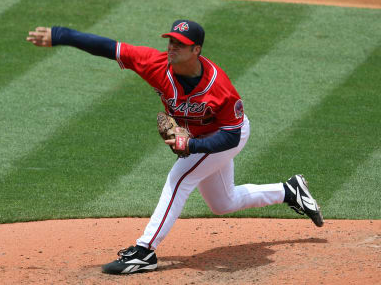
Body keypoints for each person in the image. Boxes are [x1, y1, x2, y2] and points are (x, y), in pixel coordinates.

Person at [26, 20, 324, 275]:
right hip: (202, 137)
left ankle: (144, 252)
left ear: (196, 50)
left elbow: (231, 137)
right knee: (223, 203)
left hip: (224, 134)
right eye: (170, 41)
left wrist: (192, 145)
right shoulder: (155, 64)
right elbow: (109, 47)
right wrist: (60, 35)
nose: (171, 48)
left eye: (180, 44)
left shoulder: (219, 87)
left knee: (180, 178)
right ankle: (289, 191)